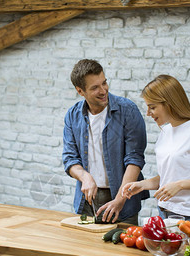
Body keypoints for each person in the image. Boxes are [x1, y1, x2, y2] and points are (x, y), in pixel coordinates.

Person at [122, 75, 190, 222]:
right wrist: (143, 185)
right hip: (164, 212)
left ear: (169, 104)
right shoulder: (166, 132)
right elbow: (171, 176)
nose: (148, 113)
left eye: (152, 107)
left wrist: (180, 185)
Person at [62, 59, 149, 225]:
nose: (103, 91)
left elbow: (135, 159)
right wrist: (85, 177)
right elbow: (69, 158)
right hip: (87, 201)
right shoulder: (72, 116)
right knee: (86, 249)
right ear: (80, 91)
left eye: (104, 83)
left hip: (123, 196)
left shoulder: (128, 110)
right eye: (95, 87)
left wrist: (120, 199)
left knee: (122, 249)